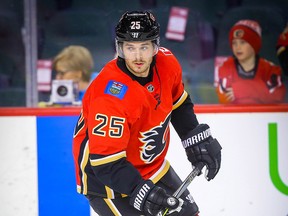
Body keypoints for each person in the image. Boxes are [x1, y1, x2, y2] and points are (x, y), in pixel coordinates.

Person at [72, 11, 222, 216]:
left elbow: (179, 103)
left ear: (155, 47)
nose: (138, 56)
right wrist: (139, 190)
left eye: (144, 46)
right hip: (108, 183)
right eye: (130, 48)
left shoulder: (167, 63)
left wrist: (193, 137)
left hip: (152, 165)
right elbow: (106, 163)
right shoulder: (109, 94)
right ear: (120, 48)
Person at [216, 19, 286, 104]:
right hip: (233, 117)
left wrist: (244, 89)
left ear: (254, 44)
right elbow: (224, 99)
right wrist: (260, 91)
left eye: (243, 42)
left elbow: (278, 97)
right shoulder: (226, 67)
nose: (238, 47)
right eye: (234, 43)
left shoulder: (270, 69)